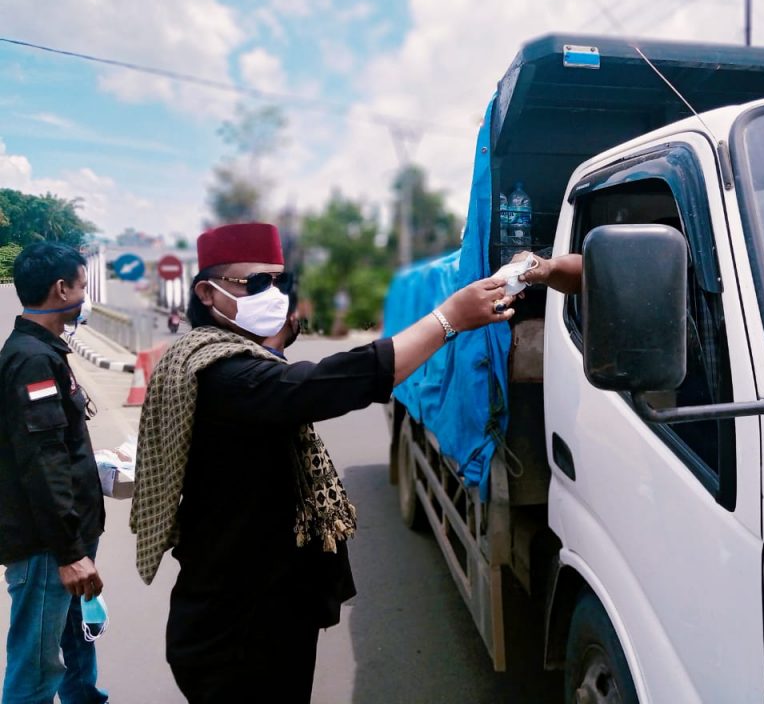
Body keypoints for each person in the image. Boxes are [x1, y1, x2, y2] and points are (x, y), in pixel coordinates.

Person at [129, 222, 513, 703]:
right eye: (256, 284)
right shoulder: (224, 375)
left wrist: (273, 348)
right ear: (208, 292)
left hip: (250, 607)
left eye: (278, 281)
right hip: (241, 631)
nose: (273, 294)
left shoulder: (210, 355)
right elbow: (325, 384)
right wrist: (449, 319)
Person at [0, 242, 108, 704]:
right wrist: (69, 552)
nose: (85, 295)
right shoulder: (32, 360)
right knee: (38, 668)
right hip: (48, 547)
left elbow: (55, 447)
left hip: (66, 537)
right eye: (82, 285)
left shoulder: (44, 350)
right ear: (61, 288)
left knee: (77, 647)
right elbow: (41, 461)